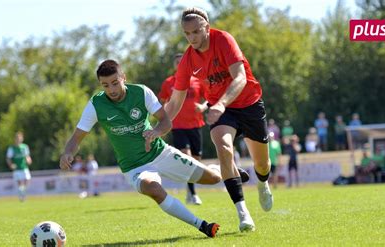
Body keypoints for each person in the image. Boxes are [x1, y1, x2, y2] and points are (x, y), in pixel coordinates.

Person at [59, 59, 222, 238]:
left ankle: (226, 170)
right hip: (134, 167)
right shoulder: (96, 105)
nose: (111, 90)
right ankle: (202, 225)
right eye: (105, 85)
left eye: (115, 83)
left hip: (160, 153)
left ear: (124, 78)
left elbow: (165, 121)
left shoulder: (141, 92)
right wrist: (67, 152)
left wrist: (156, 132)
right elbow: (76, 138)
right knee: (153, 189)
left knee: (213, 179)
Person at [164, 7, 272, 232]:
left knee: (262, 164)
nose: (192, 38)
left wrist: (222, 103)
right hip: (221, 110)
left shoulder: (223, 39)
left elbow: (240, 78)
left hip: (249, 103)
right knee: (223, 148)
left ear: (207, 27)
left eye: (196, 32)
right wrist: (158, 128)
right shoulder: (187, 60)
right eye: (187, 34)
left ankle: (262, 183)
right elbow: (174, 103)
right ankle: (243, 213)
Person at [158, 53, 206, 205]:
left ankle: (189, 191)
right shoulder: (168, 83)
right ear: (173, 66)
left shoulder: (197, 81)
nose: (179, 64)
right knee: (187, 158)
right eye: (176, 62)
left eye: (181, 62)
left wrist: (203, 107)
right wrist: (165, 114)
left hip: (196, 125)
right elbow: (162, 102)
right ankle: (193, 194)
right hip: (177, 126)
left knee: (197, 161)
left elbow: (208, 98)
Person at [6, 131, 32, 202]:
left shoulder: (25, 147)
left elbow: (27, 156)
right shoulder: (12, 148)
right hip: (17, 169)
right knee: (20, 184)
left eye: (19, 138)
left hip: (24, 168)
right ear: (15, 139)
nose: (18, 140)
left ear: (22, 139)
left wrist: (29, 160)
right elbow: (8, 158)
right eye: (17, 138)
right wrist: (11, 165)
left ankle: (22, 194)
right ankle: (22, 197)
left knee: (27, 181)